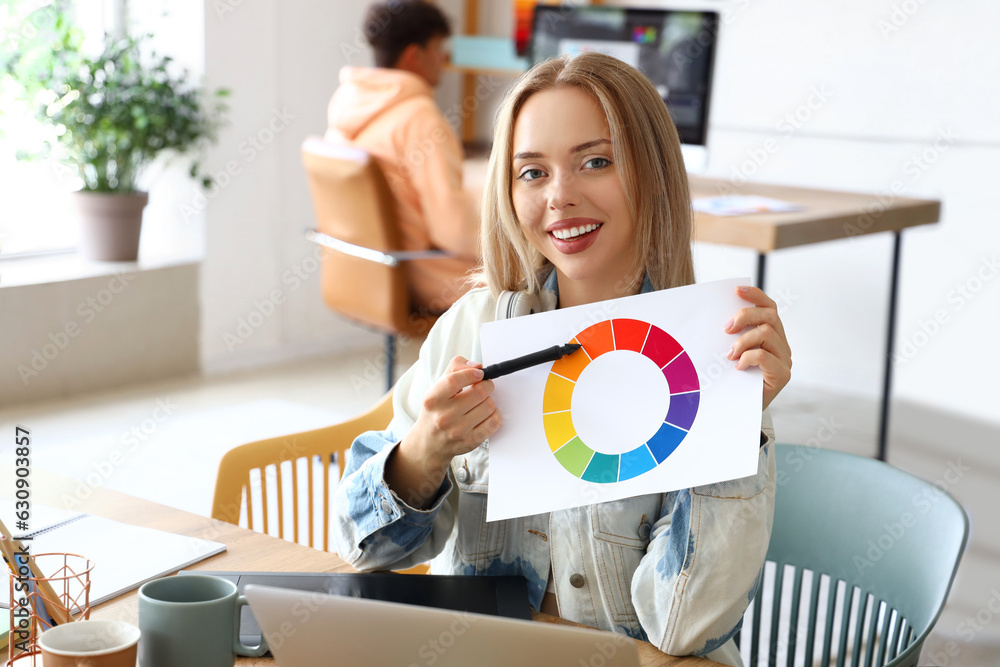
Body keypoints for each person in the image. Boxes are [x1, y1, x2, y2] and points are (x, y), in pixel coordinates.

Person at [333, 52, 792, 666]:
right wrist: (423, 452)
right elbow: (365, 549)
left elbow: (685, 629)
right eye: (532, 173)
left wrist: (735, 425)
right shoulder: (473, 329)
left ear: (653, 173)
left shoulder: (717, 353)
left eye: (596, 162)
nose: (561, 197)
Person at [325, 0, 479, 314]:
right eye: (439, 48)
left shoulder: (346, 102)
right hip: (428, 276)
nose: (444, 59)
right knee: (544, 274)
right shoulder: (419, 119)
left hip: (370, 270)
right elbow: (453, 232)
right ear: (414, 55)